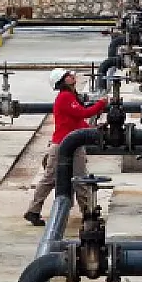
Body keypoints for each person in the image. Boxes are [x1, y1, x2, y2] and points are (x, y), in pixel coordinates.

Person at [24, 68, 107, 226]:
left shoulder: (70, 96)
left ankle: (34, 210)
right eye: (67, 76)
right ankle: (87, 213)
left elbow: (78, 122)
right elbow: (84, 113)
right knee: (76, 178)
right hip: (64, 144)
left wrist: (93, 130)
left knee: (56, 178)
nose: (72, 76)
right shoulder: (65, 97)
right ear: (62, 81)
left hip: (70, 142)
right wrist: (101, 104)